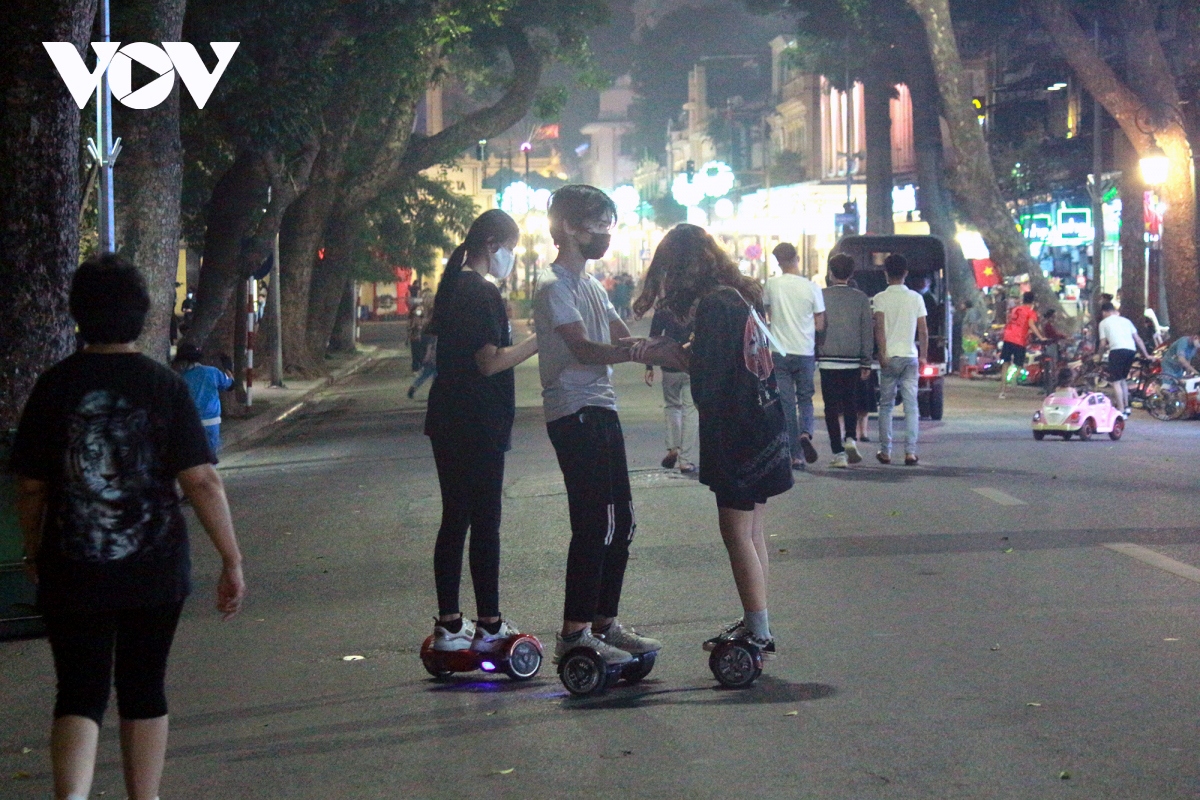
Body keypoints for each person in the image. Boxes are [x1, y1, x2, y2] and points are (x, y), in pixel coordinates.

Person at [10, 254, 245, 800]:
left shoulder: (53, 387)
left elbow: (29, 486)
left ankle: (71, 795)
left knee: (78, 690)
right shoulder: (164, 386)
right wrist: (231, 559)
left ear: (78, 315)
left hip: (71, 568)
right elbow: (203, 481)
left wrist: (33, 550)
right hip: (154, 570)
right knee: (144, 688)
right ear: (142, 316)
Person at [630, 224, 792, 654]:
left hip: (738, 432)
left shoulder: (716, 306)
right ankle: (757, 619)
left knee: (736, 532)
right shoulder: (735, 296)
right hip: (763, 421)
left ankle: (758, 630)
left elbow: (710, 384)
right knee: (753, 529)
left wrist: (674, 355)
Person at [533, 184, 662, 667]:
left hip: (601, 407)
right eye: (598, 225)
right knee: (594, 522)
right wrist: (633, 352)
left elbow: (620, 333)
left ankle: (606, 622)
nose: (605, 235)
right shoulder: (553, 288)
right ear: (568, 227)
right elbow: (584, 348)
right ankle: (576, 632)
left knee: (622, 520)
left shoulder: (590, 286)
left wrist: (661, 350)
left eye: (610, 225)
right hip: (573, 409)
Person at [422, 210, 539, 652]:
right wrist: (537, 341)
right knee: (485, 521)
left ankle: (450, 625)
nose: (512, 257)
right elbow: (488, 361)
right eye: (511, 248)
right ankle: (489, 623)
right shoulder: (481, 292)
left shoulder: (455, 286)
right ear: (493, 246)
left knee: (456, 517)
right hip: (477, 421)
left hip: (448, 418)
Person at [763, 242, 825, 469]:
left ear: (778, 262)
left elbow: (766, 313)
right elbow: (819, 324)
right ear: (797, 258)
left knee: (787, 403)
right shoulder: (812, 288)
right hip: (805, 351)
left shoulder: (772, 285)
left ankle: (795, 455)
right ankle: (806, 433)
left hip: (779, 351)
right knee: (805, 398)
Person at [817, 253, 874, 468]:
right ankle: (850, 438)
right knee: (850, 402)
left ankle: (838, 453)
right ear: (851, 274)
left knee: (831, 407)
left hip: (828, 358)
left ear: (831, 273)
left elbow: (816, 325)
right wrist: (866, 361)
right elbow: (866, 331)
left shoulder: (821, 296)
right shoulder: (860, 298)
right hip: (853, 359)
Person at [872, 253, 928, 466]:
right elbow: (923, 330)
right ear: (905, 273)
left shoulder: (880, 298)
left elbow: (879, 330)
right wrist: (923, 355)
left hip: (890, 357)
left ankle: (885, 451)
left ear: (886, 273)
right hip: (910, 356)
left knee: (886, 405)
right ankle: (910, 453)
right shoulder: (916, 298)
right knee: (911, 405)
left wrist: (882, 353)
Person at [646, 305, 697, 473]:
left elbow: (653, 338)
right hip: (692, 363)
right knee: (690, 410)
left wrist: (649, 366)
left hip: (669, 364)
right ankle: (685, 460)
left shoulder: (663, 307)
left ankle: (672, 448)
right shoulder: (697, 304)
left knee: (672, 406)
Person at [173, 343, 234, 456]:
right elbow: (230, 385)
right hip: (212, 423)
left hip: (190, 424)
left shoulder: (179, 378)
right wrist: (228, 369)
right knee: (210, 456)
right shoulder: (213, 372)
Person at [1098, 301, 1151, 415]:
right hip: (1131, 351)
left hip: (1116, 351)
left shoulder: (1103, 323)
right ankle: (1127, 407)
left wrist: (1099, 355)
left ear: (1105, 312)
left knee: (1115, 381)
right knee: (1123, 380)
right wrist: (1146, 354)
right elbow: (1138, 339)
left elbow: (1102, 343)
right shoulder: (1127, 321)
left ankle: (1121, 410)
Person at [998, 291, 1043, 399]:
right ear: (1032, 301)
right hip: (1019, 340)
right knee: (1019, 365)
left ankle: (1002, 391)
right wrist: (1040, 337)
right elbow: (1031, 324)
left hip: (1008, 337)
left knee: (1005, 363)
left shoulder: (1015, 309)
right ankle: (1012, 378)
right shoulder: (1030, 312)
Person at [1039, 309, 1066, 396]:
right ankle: (1051, 386)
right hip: (1051, 346)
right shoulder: (1048, 325)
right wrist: (1063, 336)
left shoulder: (1046, 324)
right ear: (1051, 317)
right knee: (1052, 366)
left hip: (1049, 346)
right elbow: (1054, 335)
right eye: (1054, 316)